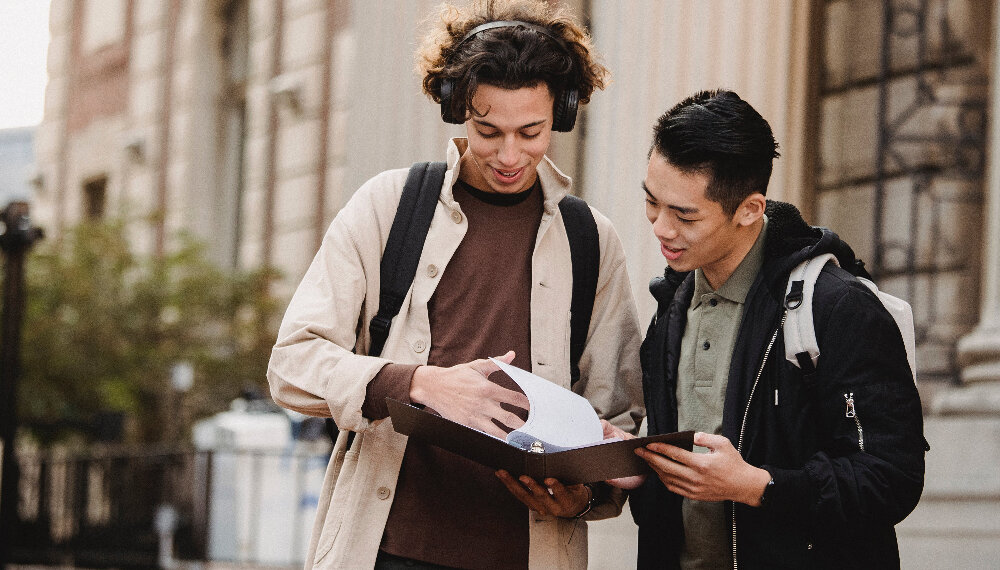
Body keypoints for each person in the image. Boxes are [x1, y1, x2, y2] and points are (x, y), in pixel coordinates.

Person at [266, 1, 644, 569]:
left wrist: (586, 494)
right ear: (456, 110)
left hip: (528, 553)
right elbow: (291, 365)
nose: (510, 154)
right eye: (488, 130)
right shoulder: (388, 206)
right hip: (386, 551)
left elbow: (619, 419)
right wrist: (418, 384)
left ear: (562, 114)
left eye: (531, 131)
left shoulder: (592, 242)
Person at [607, 89, 926, 569]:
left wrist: (757, 486)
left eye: (684, 214)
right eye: (653, 202)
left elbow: (890, 478)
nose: (660, 227)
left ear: (750, 210)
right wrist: (631, 464)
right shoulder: (670, 304)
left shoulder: (838, 307)